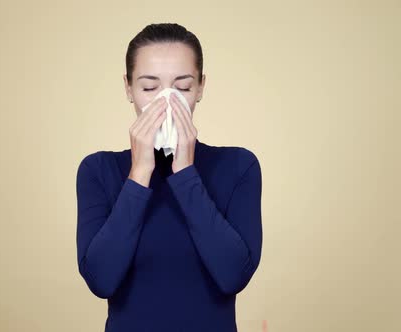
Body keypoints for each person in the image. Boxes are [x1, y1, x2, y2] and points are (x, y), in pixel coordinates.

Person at [76, 23, 263, 332]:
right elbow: (101, 280)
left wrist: (186, 173)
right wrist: (139, 174)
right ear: (128, 88)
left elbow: (232, 275)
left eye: (182, 87)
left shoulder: (238, 166)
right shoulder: (98, 171)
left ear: (201, 87)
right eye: (149, 88)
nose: (165, 103)